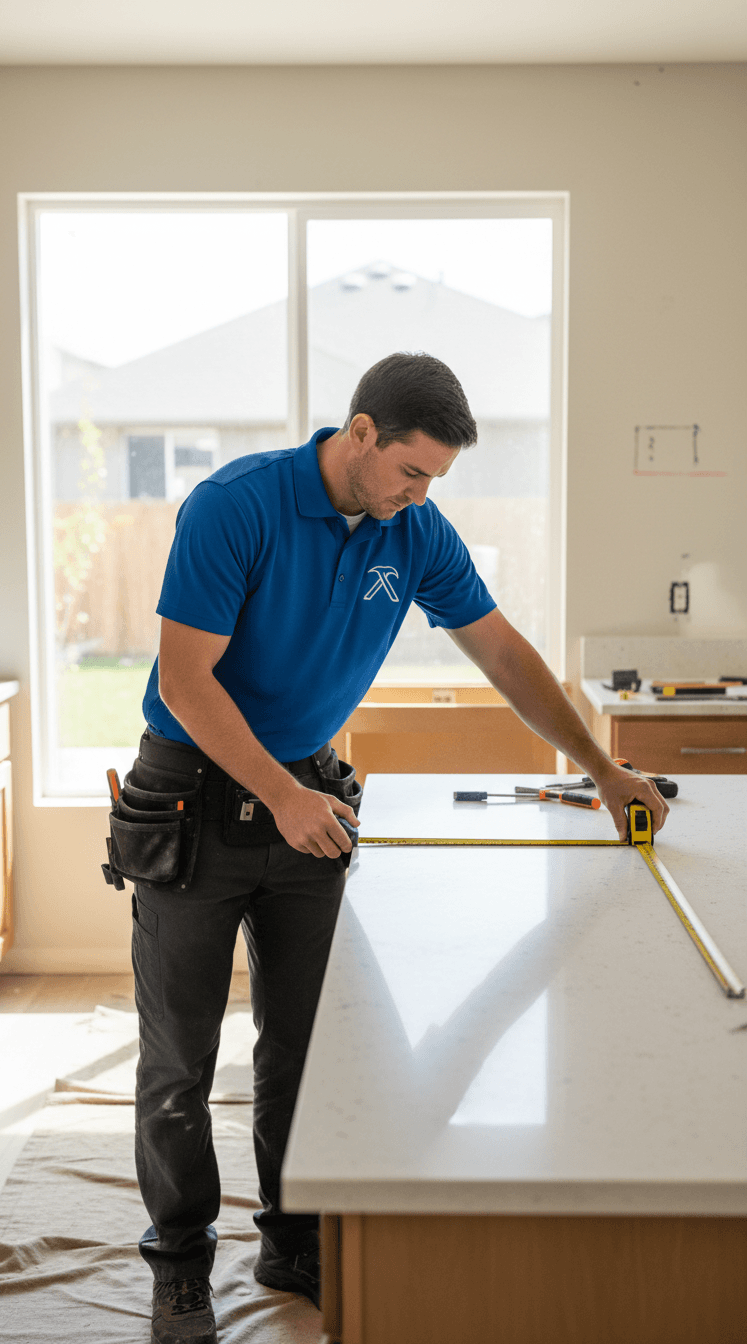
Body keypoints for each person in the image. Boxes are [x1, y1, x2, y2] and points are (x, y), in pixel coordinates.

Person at [123, 351, 668, 1344]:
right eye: (412, 471)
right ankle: (182, 1267)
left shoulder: (414, 530)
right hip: (192, 800)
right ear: (362, 432)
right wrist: (279, 794)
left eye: (436, 480)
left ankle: (294, 1239)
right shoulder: (235, 505)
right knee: (178, 1063)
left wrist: (601, 767)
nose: (421, 496)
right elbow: (185, 681)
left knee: (309, 1050)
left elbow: (504, 655)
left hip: (308, 799)